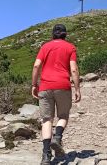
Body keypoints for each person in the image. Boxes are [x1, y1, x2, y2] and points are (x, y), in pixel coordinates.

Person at [31, 24, 81, 165]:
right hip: (63, 86)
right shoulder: (70, 47)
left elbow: (36, 65)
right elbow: (74, 70)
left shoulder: (45, 47)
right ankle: (57, 137)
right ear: (65, 34)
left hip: (45, 86)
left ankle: (46, 156)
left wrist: (34, 84)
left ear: (52, 34)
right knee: (63, 116)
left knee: (46, 120)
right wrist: (77, 89)